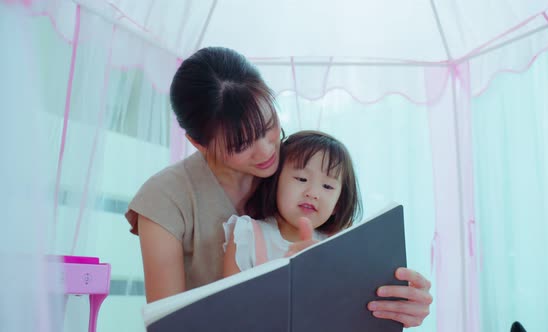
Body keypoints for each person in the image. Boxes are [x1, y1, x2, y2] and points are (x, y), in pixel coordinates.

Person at [125, 46, 432, 328]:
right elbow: (170, 325)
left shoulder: (299, 167)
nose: (266, 151)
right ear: (198, 143)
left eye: (268, 124)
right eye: (241, 143)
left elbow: (345, 271)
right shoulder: (165, 198)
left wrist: (396, 301)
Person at [222, 130, 361, 275]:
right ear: (275, 182)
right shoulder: (247, 235)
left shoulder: (339, 246)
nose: (312, 193)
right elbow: (231, 297)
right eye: (301, 179)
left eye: (327, 186)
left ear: (338, 204)